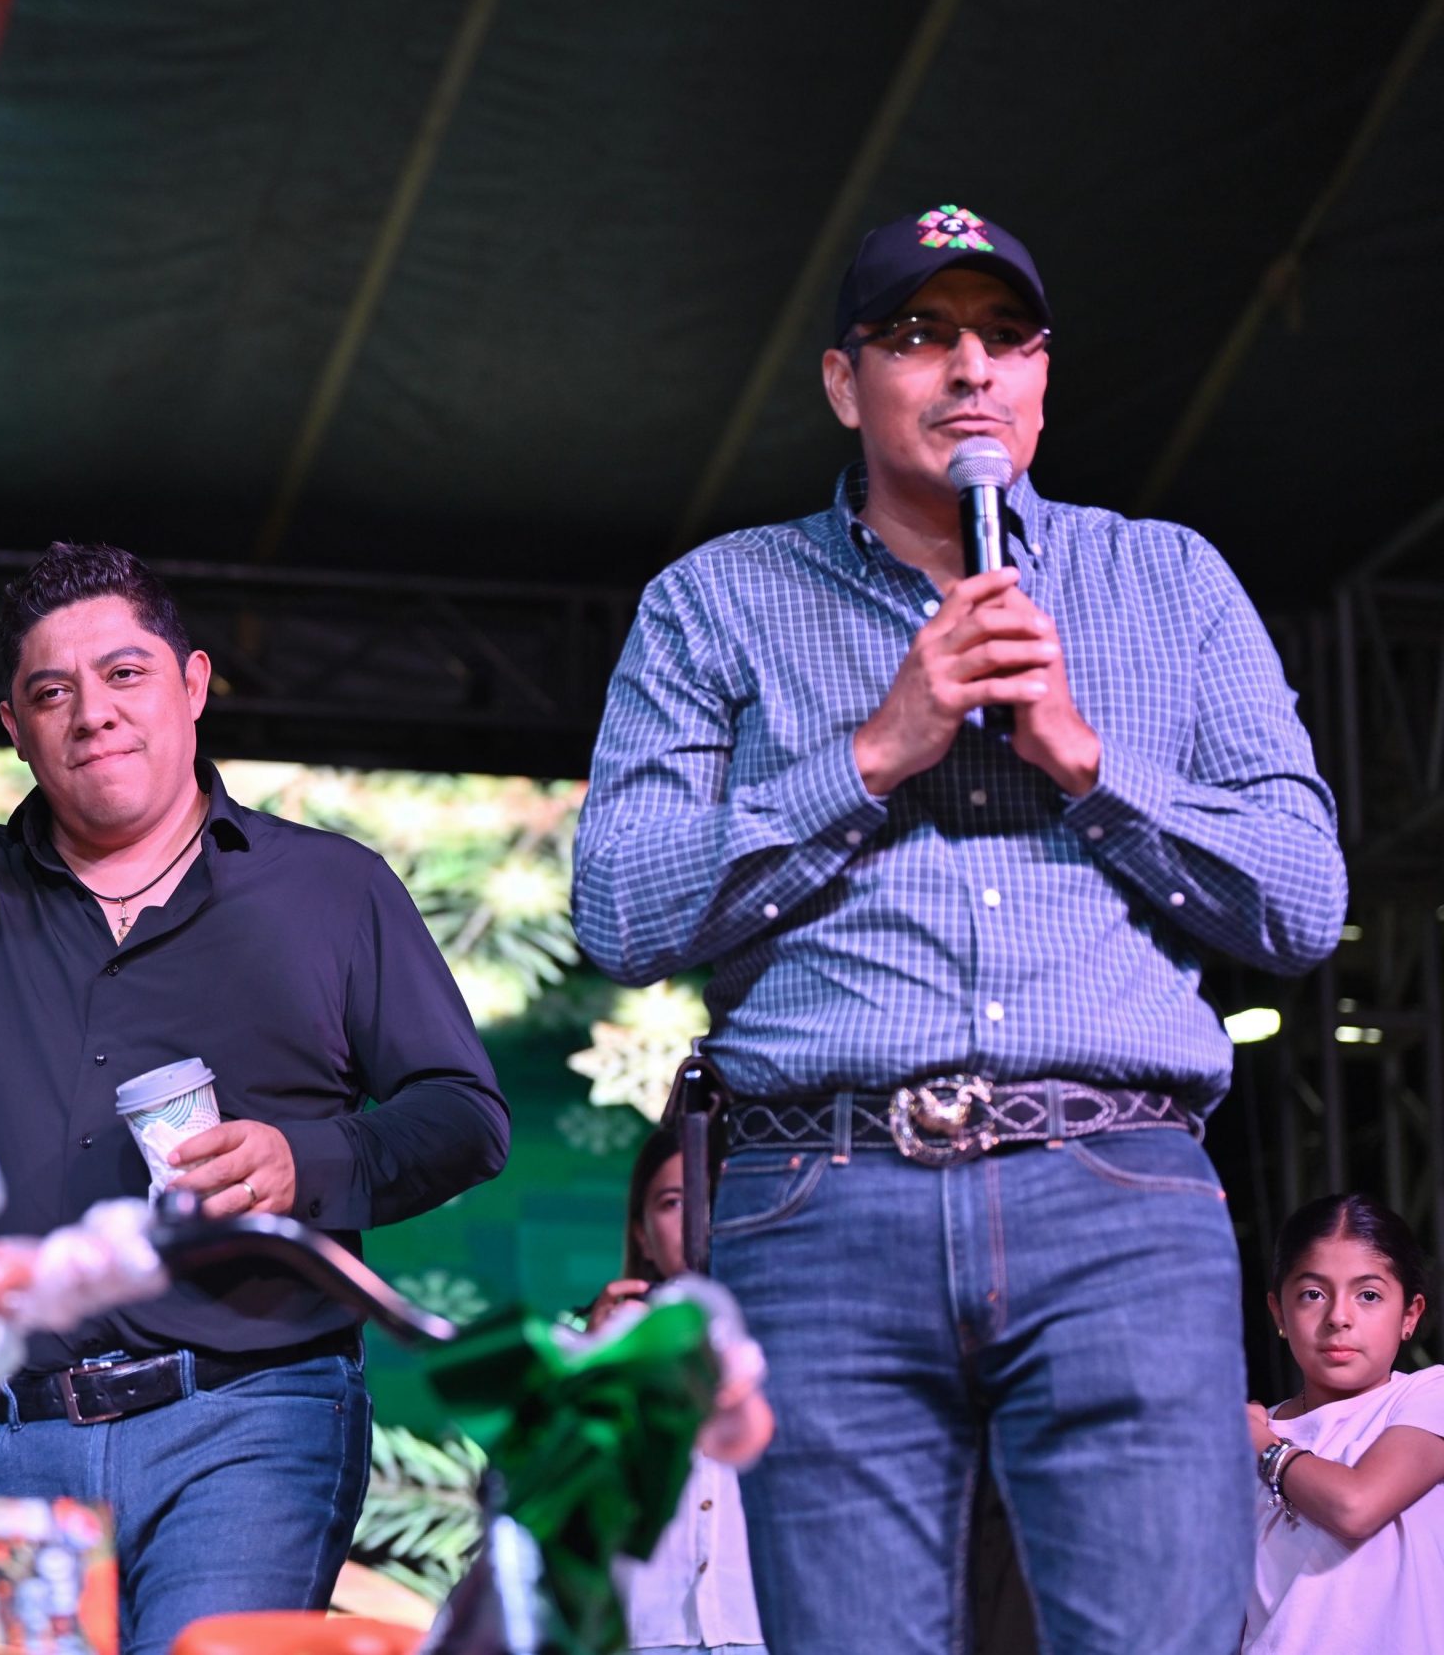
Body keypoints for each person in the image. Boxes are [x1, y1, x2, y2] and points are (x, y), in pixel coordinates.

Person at [571, 202, 1346, 1654]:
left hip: (1117, 1185)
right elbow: (620, 909)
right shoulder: (718, 600)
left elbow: (1303, 901)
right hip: (820, 1194)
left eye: (1004, 336)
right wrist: (874, 750)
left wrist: (1084, 757)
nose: (969, 368)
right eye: (919, 334)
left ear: (1042, 377)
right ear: (842, 380)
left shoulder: (1166, 580)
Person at [0, 472, 510, 1655]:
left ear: (193, 685)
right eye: (51, 691)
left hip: (253, 1413)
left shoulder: (329, 887)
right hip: (19, 1433)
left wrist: (305, 1159)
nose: (90, 711)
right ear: (15, 727)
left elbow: (463, 1116)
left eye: (125, 673)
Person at [580, 1128, 766, 1655]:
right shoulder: (595, 1342)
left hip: (763, 1626)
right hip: (642, 1628)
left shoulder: (802, 1342)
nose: (698, 1220)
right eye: (674, 1201)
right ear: (641, 1234)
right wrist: (596, 1369)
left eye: (717, 1195)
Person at [1245, 1193, 1444, 1651]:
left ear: (1409, 1315)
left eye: (1368, 1295)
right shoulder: (1244, 1435)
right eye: (1313, 1294)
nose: (1338, 1317)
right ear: (1279, 1312)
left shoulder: (1427, 1396)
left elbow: (1356, 1506)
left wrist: (1259, 1444)